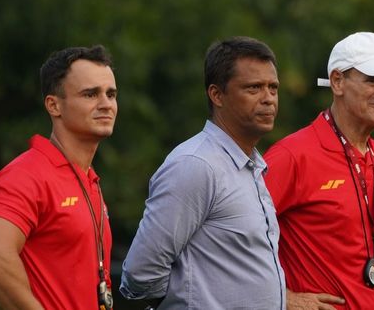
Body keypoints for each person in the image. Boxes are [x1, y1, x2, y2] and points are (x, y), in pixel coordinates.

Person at [120, 36, 286, 309]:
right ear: (217, 95)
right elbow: (141, 273)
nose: (268, 99)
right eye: (254, 88)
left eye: (273, 88)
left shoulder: (251, 165)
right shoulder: (196, 164)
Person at [263, 32, 374, 310]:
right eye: (373, 80)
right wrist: (280, 298)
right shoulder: (292, 156)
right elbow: (232, 239)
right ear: (337, 81)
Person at [0, 45, 118, 310]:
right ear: (54, 105)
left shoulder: (89, 179)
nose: (106, 104)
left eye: (111, 94)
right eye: (90, 94)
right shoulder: (26, 175)